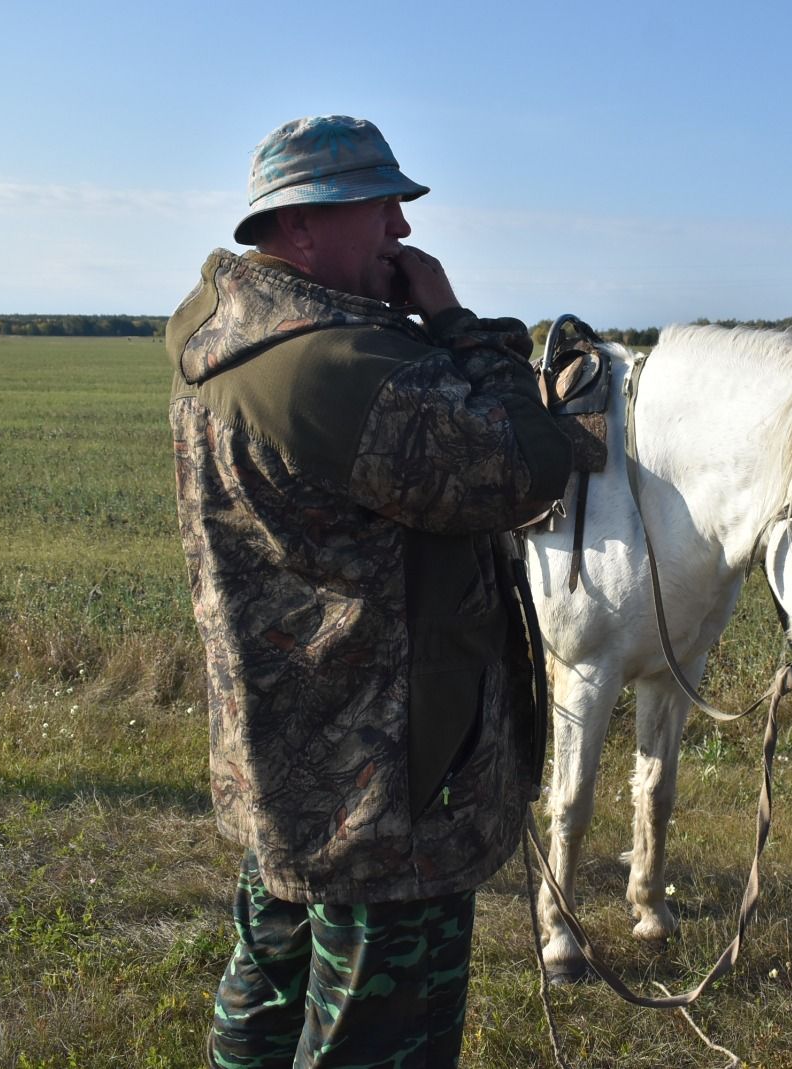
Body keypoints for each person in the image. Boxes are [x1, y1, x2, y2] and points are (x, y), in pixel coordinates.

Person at [168, 115, 572, 1068]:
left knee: (267, 1001)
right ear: (302, 226)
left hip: (281, 760)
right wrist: (461, 323)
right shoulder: (338, 374)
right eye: (380, 205)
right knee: (376, 1038)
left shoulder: (215, 325)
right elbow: (528, 464)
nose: (400, 229)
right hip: (384, 793)